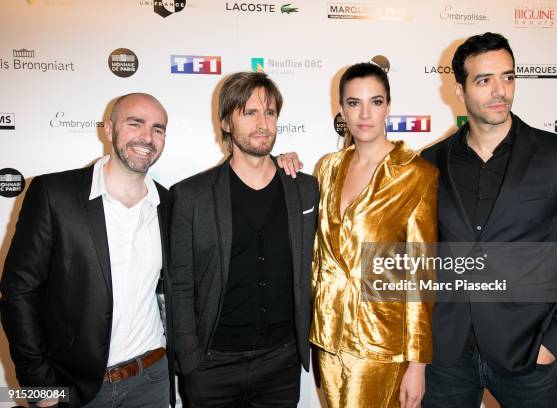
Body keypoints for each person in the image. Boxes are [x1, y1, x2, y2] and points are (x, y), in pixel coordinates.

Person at [420, 32, 557, 407]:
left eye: (508, 77)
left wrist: (555, 344)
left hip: (529, 354)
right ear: (459, 91)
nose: (500, 90)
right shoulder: (430, 162)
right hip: (447, 356)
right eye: (484, 80)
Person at [0, 93, 175, 407]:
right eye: (135, 123)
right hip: (75, 388)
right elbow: (18, 293)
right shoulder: (54, 194)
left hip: (152, 380)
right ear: (108, 130)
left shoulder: (168, 204)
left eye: (158, 129)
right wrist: (38, 387)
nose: (147, 137)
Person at [170, 71, 318, 407]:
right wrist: (190, 362)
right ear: (225, 122)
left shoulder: (304, 189)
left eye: (270, 112)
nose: (262, 123)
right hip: (212, 365)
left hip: (281, 363)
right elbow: (179, 286)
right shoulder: (191, 196)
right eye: (249, 112)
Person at [308, 62, 438, 408]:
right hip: (327, 336)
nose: (365, 113)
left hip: (379, 342)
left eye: (375, 102)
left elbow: (420, 275)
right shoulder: (327, 168)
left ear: (388, 107)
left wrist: (417, 363)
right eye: (354, 103)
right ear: (341, 110)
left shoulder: (416, 174)